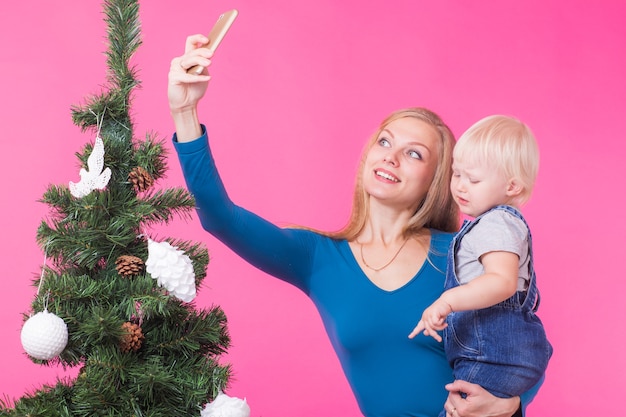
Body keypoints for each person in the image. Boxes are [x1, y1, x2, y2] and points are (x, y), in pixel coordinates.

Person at [168, 34, 540, 417]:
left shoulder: (460, 253)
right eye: (384, 142)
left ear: (437, 179)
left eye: (413, 153)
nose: (391, 157)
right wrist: (184, 112)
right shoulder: (317, 258)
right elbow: (218, 216)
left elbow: (524, 338)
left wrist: (512, 403)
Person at [409, 115, 553, 416]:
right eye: (456, 174)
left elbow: (501, 281)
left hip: (492, 356)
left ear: (512, 186)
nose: (460, 186)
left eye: (473, 179)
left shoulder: (496, 223)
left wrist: (447, 302)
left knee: (460, 410)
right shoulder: (490, 225)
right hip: (498, 354)